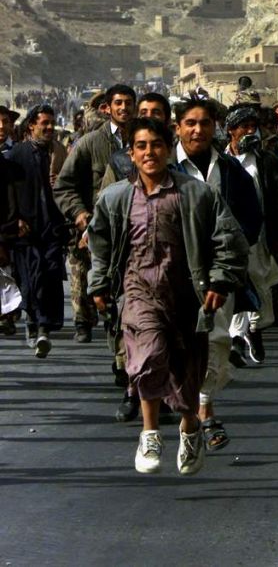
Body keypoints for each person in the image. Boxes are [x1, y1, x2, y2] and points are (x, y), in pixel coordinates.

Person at [88, 117, 248, 474]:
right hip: (138, 292)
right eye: (141, 146)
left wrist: (220, 282)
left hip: (188, 296)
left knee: (187, 370)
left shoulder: (196, 194)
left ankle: (190, 428)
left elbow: (229, 241)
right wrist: (98, 283)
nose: (149, 153)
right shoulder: (115, 198)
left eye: (156, 145)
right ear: (131, 153)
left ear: (167, 147)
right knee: (147, 357)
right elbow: (99, 245)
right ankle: (149, 433)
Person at [171, 98, 260, 447]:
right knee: (175, 343)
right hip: (172, 272)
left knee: (217, 340)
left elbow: (250, 219)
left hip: (216, 275)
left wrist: (228, 260)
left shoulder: (230, 170)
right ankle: (182, 409)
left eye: (205, 123)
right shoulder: (162, 166)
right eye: (190, 123)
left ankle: (203, 408)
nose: (198, 130)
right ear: (178, 127)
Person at [54, 84, 136, 347]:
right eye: (118, 103)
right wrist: (79, 213)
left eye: (128, 102)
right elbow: (64, 185)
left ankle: (125, 353)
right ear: (108, 108)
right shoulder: (90, 143)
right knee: (101, 288)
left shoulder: (145, 140)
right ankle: (93, 326)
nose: (123, 107)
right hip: (97, 230)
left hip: (136, 229)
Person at [223, 105, 278, 359]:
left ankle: (254, 329)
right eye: (245, 127)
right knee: (237, 281)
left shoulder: (267, 161)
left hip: (260, 235)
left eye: (254, 127)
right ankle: (237, 337)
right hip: (230, 236)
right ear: (231, 131)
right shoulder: (221, 160)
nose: (251, 131)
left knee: (260, 281)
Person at [8, 105, 68, 358]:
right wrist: (14, 220)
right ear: (31, 125)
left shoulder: (59, 152)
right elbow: (8, 192)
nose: (49, 127)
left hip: (53, 228)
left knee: (51, 273)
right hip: (26, 229)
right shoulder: (17, 155)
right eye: (44, 123)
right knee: (31, 278)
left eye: (51, 123)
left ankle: (44, 326)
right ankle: (34, 322)